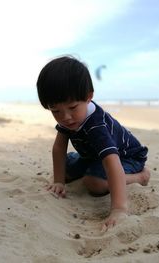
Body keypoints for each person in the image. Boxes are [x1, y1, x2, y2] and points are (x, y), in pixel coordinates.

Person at [36, 56, 150, 231]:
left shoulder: (97, 126)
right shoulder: (69, 120)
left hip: (126, 158)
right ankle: (83, 170)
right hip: (92, 156)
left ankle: (140, 177)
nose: (65, 117)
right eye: (56, 111)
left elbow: (112, 161)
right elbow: (59, 148)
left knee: (93, 183)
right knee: (64, 166)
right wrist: (59, 181)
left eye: (72, 107)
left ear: (88, 97)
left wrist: (119, 209)